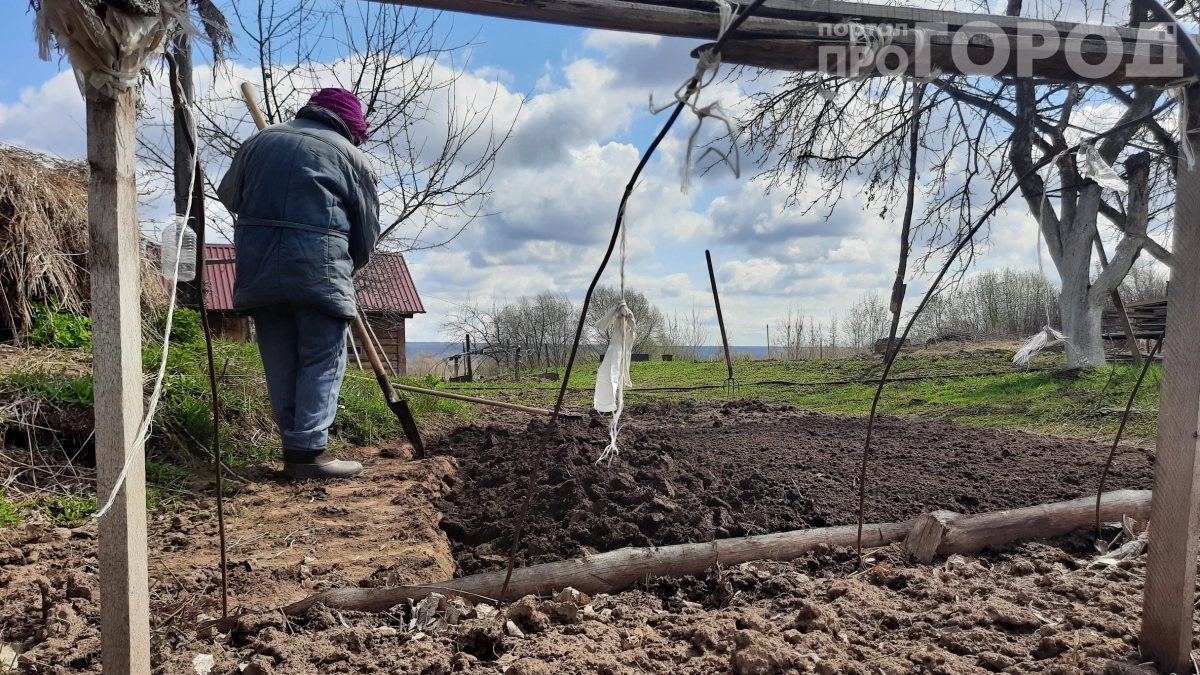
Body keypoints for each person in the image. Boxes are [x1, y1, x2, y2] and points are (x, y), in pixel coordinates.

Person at [217, 88, 379, 479]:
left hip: (259, 269)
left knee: (280, 359)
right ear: (351, 126)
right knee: (323, 357)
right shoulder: (352, 158)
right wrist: (345, 266)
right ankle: (308, 453)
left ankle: (295, 450)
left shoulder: (259, 142)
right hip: (320, 271)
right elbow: (366, 234)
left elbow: (230, 196)